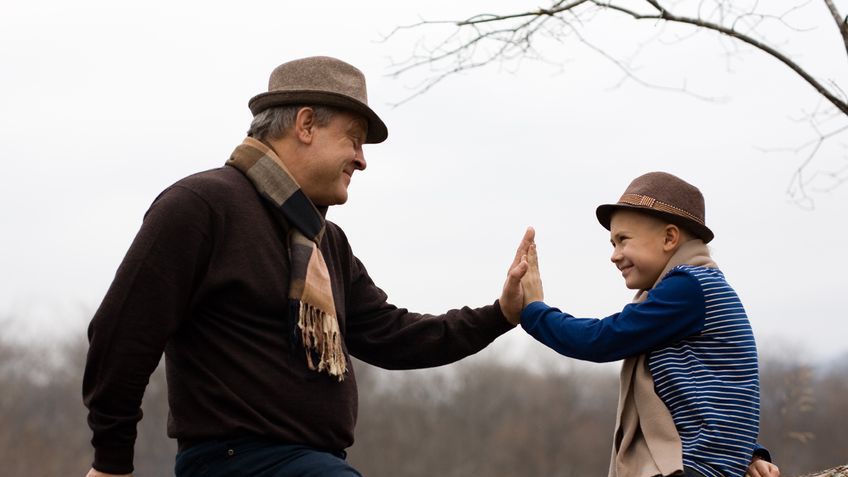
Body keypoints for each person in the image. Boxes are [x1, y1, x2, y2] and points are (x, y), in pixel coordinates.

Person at [82, 56, 533, 477]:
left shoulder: (325, 241)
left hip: (315, 464)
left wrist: (500, 314)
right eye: (353, 140)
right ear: (305, 125)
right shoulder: (201, 206)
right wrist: (112, 462)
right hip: (236, 462)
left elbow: (393, 336)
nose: (362, 159)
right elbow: (122, 333)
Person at [515, 172, 780, 477]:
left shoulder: (689, 287)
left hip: (693, 467)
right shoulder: (696, 290)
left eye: (623, 240)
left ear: (669, 238)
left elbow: (601, 339)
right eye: (612, 243)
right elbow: (717, 389)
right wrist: (748, 453)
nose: (614, 256)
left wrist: (534, 311)